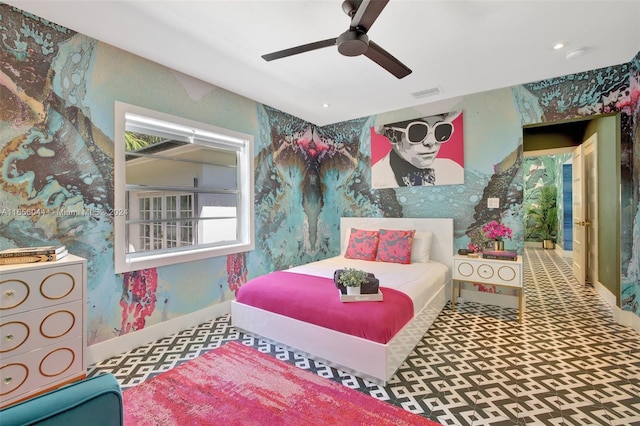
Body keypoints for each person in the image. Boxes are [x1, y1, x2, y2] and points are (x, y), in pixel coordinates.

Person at [371, 111, 464, 188]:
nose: (431, 142)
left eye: (440, 130)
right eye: (417, 131)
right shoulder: (373, 176)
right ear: (392, 135)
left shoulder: (454, 169)